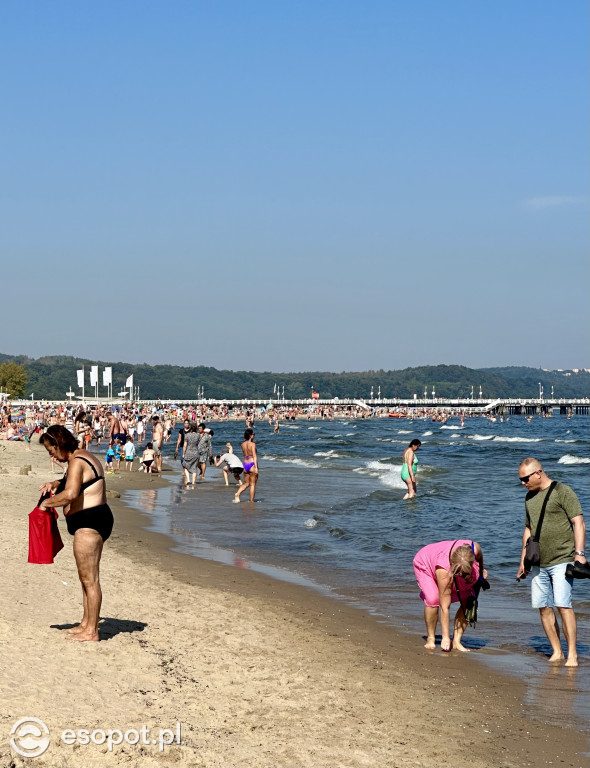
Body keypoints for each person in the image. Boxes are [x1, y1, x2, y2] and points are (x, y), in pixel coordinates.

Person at [38, 424, 113, 642]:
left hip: (91, 521)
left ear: (59, 443)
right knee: (85, 578)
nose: (51, 455)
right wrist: (55, 483)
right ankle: (86, 623)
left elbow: (71, 494)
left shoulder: (78, 460)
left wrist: (46, 505)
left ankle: (92, 631)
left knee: (90, 579)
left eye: (51, 450)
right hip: (90, 520)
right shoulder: (79, 458)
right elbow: (73, 482)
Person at [516, 458, 586, 667]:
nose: (523, 483)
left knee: (563, 605)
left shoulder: (562, 491)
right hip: (538, 562)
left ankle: (572, 654)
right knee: (543, 607)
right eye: (520, 479)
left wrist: (580, 553)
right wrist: (523, 561)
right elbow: (528, 530)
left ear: (538, 473)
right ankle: (557, 651)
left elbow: (579, 522)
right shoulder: (529, 498)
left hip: (562, 559)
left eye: (525, 478)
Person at [413, 539, 487, 652]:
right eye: (458, 572)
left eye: (464, 573)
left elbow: (480, 557)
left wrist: (481, 572)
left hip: (456, 565)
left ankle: (457, 641)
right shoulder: (444, 569)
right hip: (425, 563)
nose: (461, 575)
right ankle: (431, 638)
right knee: (433, 599)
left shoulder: (475, 548)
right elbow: (445, 607)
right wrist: (445, 638)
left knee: (470, 600)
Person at [234, 428, 258, 502]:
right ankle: (251, 501)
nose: (254, 436)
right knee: (253, 484)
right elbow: (254, 456)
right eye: (253, 434)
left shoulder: (242, 444)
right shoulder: (253, 444)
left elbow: (246, 454)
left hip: (245, 464)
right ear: (250, 435)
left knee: (247, 483)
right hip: (252, 464)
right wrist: (256, 467)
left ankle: (237, 493)